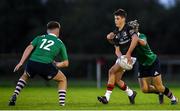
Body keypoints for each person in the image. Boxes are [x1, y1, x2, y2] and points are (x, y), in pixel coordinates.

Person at [9, 21, 69, 106]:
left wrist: (21, 62)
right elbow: (66, 63)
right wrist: (57, 64)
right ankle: (62, 104)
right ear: (57, 30)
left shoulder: (39, 37)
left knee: (25, 75)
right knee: (62, 79)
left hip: (32, 62)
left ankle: (15, 94)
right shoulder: (60, 43)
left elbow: (29, 47)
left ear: (47, 30)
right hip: (46, 65)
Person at [129, 20, 178, 105]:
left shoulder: (141, 36)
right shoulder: (129, 40)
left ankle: (173, 99)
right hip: (142, 64)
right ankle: (160, 92)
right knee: (144, 89)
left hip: (152, 62)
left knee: (159, 86)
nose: (130, 30)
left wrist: (135, 38)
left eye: (132, 28)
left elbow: (144, 43)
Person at [97, 9, 139, 104]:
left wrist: (128, 54)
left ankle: (106, 97)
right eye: (115, 19)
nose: (115, 20)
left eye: (117, 18)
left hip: (131, 57)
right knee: (117, 80)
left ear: (123, 19)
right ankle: (131, 93)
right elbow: (117, 50)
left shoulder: (128, 28)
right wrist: (121, 57)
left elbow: (135, 38)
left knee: (111, 71)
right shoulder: (116, 32)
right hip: (123, 57)